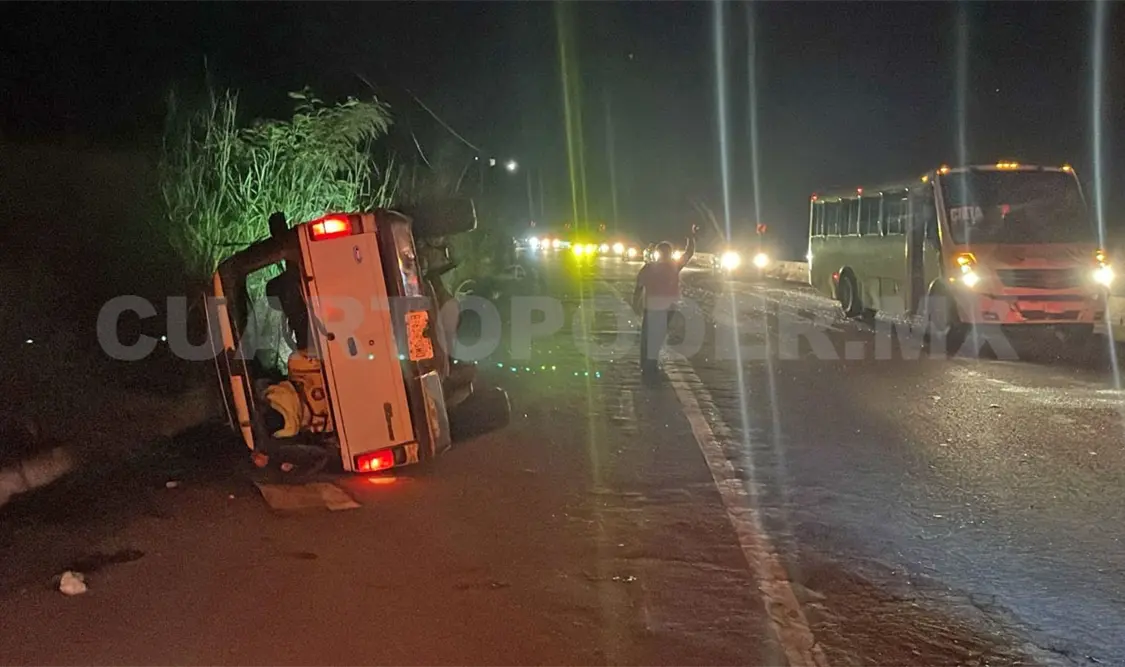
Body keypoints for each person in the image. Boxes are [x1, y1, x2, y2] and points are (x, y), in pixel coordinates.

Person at [631, 226, 696, 382]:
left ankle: (647, 366)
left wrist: (635, 304)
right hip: (667, 308)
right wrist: (691, 238)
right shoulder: (674, 266)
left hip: (651, 307)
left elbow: (638, 288)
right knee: (657, 337)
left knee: (648, 337)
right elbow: (689, 253)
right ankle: (651, 366)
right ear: (669, 253)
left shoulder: (648, 267)